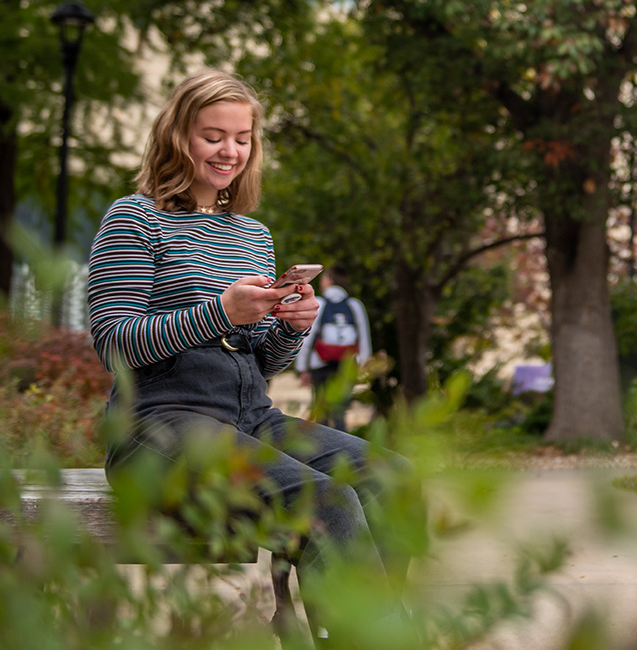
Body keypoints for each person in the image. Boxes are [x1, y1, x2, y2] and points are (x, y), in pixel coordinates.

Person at [86, 70, 412, 638]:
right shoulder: (134, 218)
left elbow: (258, 363)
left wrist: (288, 326)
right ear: (177, 137)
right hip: (159, 425)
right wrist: (220, 312)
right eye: (213, 135)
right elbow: (113, 341)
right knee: (326, 502)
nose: (229, 151)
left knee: (393, 478)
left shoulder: (251, 235)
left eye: (242, 138)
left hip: (248, 419)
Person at [296, 268, 372, 431]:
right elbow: (364, 338)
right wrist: (363, 366)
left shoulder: (320, 303)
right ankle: (342, 451)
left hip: (320, 366)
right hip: (346, 366)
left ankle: (322, 451)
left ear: (329, 280)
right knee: (340, 411)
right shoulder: (354, 305)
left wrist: (302, 368)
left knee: (321, 411)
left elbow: (308, 338)